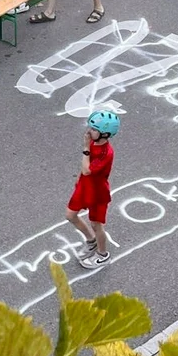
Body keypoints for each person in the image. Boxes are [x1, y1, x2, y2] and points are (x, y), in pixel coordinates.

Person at [67, 108, 120, 268]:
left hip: (97, 191)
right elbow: (83, 171)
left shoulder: (107, 152)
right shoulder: (93, 142)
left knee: (97, 225)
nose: (90, 132)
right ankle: (91, 241)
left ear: (105, 134)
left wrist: (85, 147)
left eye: (94, 129)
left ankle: (102, 254)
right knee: (70, 215)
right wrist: (78, 178)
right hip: (84, 185)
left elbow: (87, 169)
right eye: (91, 127)